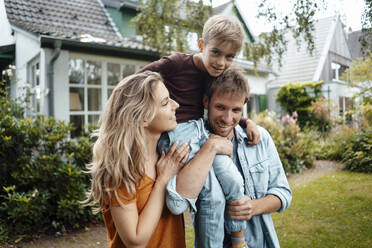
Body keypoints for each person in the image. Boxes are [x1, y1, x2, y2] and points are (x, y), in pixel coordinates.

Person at [161, 68, 292, 247]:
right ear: (206, 101)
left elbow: (283, 193)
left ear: (244, 106)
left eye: (236, 110)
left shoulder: (260, 138)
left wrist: (251, 207)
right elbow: (179, 201)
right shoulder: (191, 144)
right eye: (220, 107)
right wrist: (210, 148)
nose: (227, 118)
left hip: (261, 243)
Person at [84, 71, 191, 248]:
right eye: (165, 103)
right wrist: (163, 180)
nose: (176, 105)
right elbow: (135, 241)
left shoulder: (167, 156)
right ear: (142, 118)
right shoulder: (120, 170)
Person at [138, 14, 260, 145]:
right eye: (216, 52)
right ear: (201, 45)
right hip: (170, 134)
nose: (221, 63)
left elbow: (227, 108)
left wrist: (246, 122)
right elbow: (134, 81)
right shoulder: (176, 63)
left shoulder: (218, 77)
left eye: (229, 56)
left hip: (197, 134)